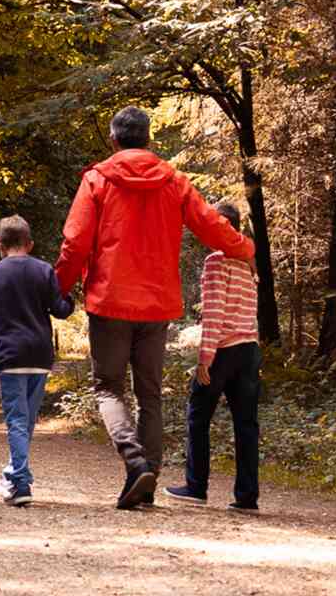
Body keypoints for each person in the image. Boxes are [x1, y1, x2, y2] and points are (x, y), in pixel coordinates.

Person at [55, 106, 256, 509]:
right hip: (157, 305)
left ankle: (134, 462)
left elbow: (76, 242)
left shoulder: (98, 179)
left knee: (108, 387)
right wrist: (245, 248)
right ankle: (148, 476)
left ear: (114, 139)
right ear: (149, 140)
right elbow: (212, 226)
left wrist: (58, 288)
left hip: (110, 300)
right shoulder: (174, 182)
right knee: (150, 394)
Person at [164, 202, 261, 513]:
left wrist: (205, 358)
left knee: (198, 414)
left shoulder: (216, 261)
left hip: (224, 350)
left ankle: (196, 486)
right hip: (249, 349)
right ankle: (247, 498)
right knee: (246, 423)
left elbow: (215, 312)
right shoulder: (248, 262)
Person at [0, 214, 75, 507]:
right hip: (40, 353)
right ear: (29, 244)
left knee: (17, 420)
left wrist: (3, 333)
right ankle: (13, 474)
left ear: (0, 245)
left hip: (11, 354)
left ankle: (20, 482)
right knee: (27, 420)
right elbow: (60, 310)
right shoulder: (44, 270)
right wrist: (69, 297)